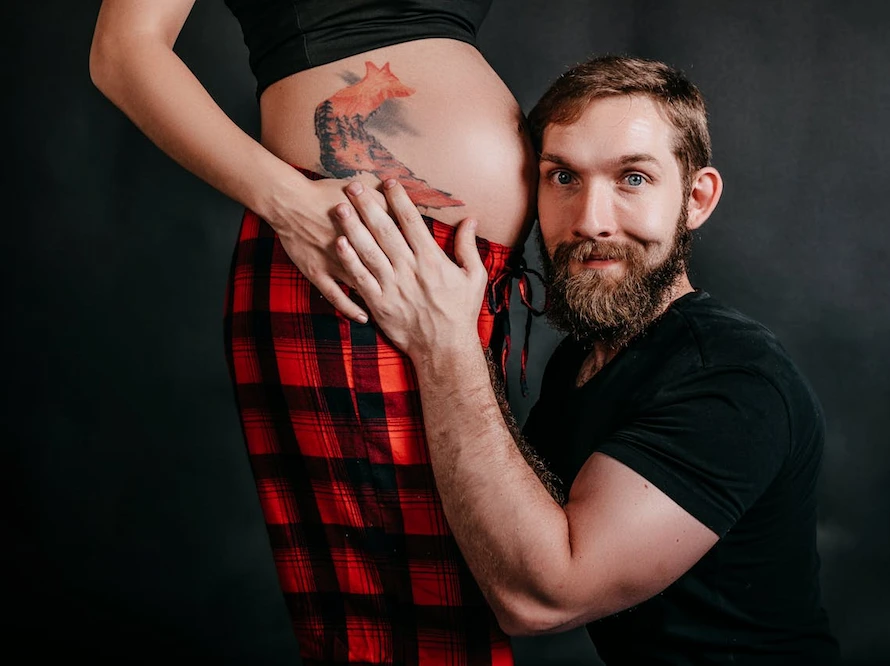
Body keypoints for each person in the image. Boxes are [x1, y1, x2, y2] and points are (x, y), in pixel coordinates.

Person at [331, 55, 842, 664]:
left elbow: (542, 599)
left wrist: (446, 344)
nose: (590, 222)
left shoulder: (735, 382)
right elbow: (506, 525)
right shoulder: (583, 357)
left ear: (696, 198)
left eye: (633, 178)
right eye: (563, 177)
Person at [89, 1, 542, 664]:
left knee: (458, 592)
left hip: (465, 279)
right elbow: (123, 50)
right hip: (355, 255)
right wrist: (288, 202)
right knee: (396, 614)